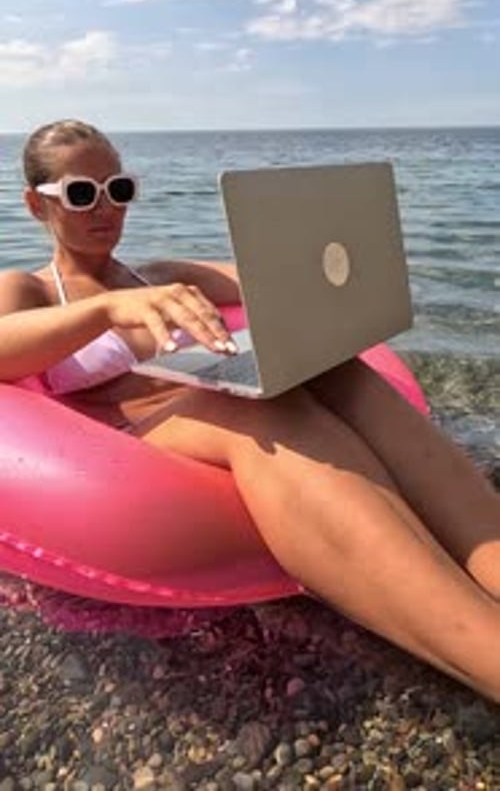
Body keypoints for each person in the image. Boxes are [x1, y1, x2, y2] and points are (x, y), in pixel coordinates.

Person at [0, 119, 499, 701]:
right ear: (38, 205)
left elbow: (271, 280)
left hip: (206, 407)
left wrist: (337, 271)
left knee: (338, 370)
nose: (105, 207)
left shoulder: (159, 275)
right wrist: (109, 310)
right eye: (81, 193)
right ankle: (482, 648)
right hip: (133, 444)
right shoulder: (30, 289)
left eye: (120, 189)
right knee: (263, 415)